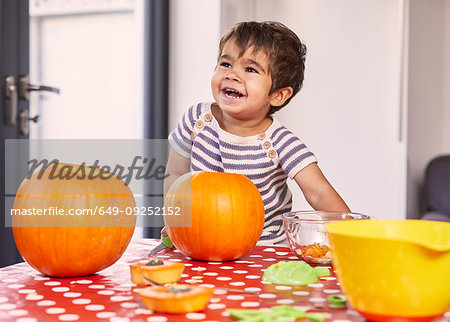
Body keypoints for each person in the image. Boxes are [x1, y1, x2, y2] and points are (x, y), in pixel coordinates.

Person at [163, 21, 350, 245]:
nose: (232, 75)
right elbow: (175, 173)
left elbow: (318, 191)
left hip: (262, 248)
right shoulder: (196, 120)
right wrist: (175, 221)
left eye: (250, 69)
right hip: (202, 241)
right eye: (226, 63)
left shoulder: (279, 143)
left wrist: (354, 236)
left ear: (278, 95)